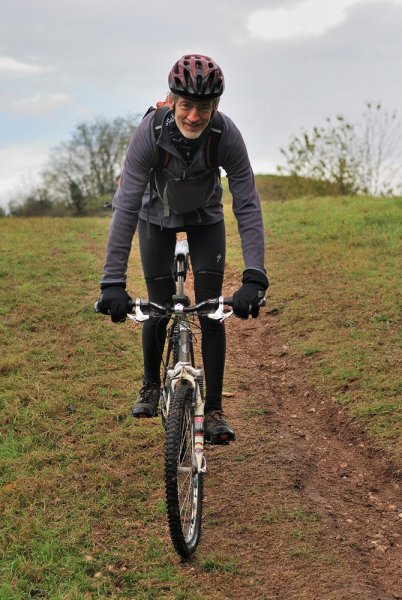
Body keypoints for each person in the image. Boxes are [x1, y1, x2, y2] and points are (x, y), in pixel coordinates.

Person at [97, 54, 268, 444]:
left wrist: (254, 275)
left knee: (211, 310)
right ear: (171, 101)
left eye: (203, 107)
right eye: (186, 105)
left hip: (206, 218)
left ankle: (214, 412)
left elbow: (246, 202)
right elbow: (125, 206)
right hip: (154, 217)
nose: (194, 115)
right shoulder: (149, 133)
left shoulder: (226, 136)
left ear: (216, 107)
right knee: (157, 306)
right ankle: (150, 385)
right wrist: (112, 283)